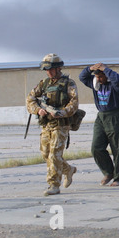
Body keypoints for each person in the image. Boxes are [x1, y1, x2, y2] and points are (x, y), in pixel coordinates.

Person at [26, 54, 78, 196]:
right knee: (46, 154)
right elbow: (30, 99)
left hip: (61, 125)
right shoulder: (44, 83)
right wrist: (38, 110)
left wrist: (62, 112)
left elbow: (74, 103)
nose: (48, 72)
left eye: (50, 69)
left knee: (55, 154)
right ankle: (68, 169)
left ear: (58, 68)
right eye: (46, 69)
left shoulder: (69, 83)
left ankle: (54, 184)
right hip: (46, 124)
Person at [79, 63, 119, 186]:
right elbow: (82, 77)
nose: (99, 80)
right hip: (101, 116)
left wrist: (105, 69)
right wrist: (90, 69)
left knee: (118, 149)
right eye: (97, 77)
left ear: (106, 75)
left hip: (115, 115)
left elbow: (118, 79)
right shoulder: (95, 83)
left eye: (101, 77)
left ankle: (118, 178)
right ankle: (108, 172)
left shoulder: (114, 84)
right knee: (96, 147)